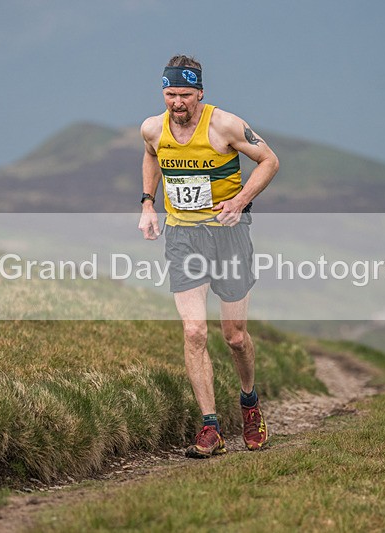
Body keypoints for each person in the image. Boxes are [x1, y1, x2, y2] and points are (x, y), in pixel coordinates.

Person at [138, 55, 279, 458]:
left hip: (229, 237)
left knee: (233, 337)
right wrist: (148, 203)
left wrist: (240, 200)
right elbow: (151, 155)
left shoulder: (226, 125)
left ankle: (250, 404)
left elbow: (269, 160)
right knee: (194, 332)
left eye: (184, 95)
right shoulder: (152, 128)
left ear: (200, 93)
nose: (177, 103)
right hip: (183, 238)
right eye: (170, 94)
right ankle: (210, 427)